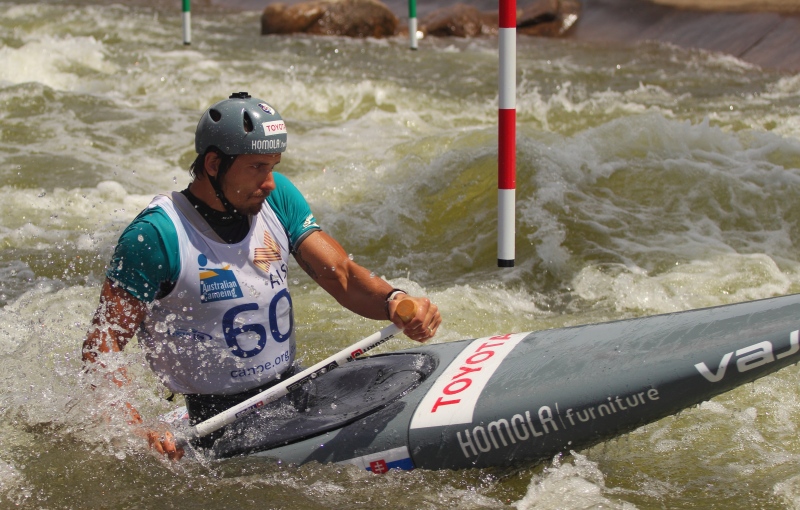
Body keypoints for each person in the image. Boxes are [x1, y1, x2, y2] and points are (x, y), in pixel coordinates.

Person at [82, 92, 441, 460]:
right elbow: (101, 346)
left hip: (292, 388)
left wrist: (393, 301)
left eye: (273, 165)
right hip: (216, 422)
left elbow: (342, 276)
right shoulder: (156, 236)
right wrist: (135, 426)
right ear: (212, 163)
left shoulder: (277, 196)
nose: (269, 181)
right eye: (257, 167)